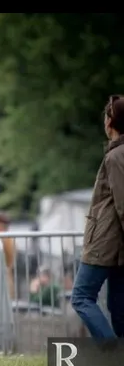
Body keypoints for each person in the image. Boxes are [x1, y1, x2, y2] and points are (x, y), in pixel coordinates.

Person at [71, 95, 124, 340]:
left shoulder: (116, 157)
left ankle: (112, 353)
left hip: (105, 241)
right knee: (118, 307)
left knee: (81, 297)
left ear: (110, 121)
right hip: (116, 244)